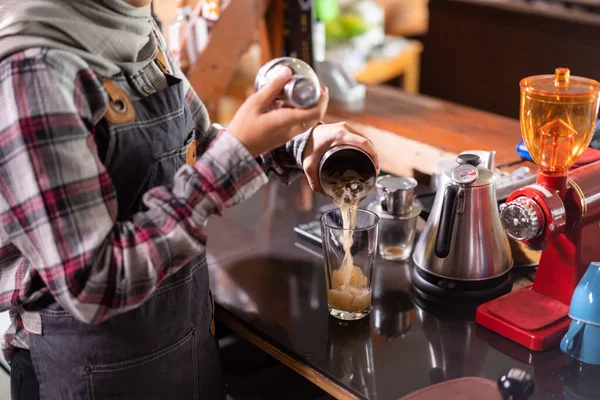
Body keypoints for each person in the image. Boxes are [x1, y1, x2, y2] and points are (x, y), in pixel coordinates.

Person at [0, 0, 378, 399]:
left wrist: (299, 144)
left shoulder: (131, 17)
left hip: (183, 349)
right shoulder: (33, 67)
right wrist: (234, 155)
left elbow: (196, 146)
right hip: (90, 373)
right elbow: (93, 284)